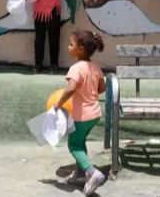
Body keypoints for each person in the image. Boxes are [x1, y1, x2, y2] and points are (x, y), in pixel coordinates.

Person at [53, 29, 107, 196]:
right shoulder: (95, 67)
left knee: (73, 144)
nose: (68, 47)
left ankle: (92, 173)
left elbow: (71, 88)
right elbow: (102, 88)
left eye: (71, 44)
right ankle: (81, 174)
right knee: (81, 140)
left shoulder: (76, 68)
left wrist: (59, 103)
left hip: (82, 116)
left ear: (81, 49)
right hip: (95, 114)